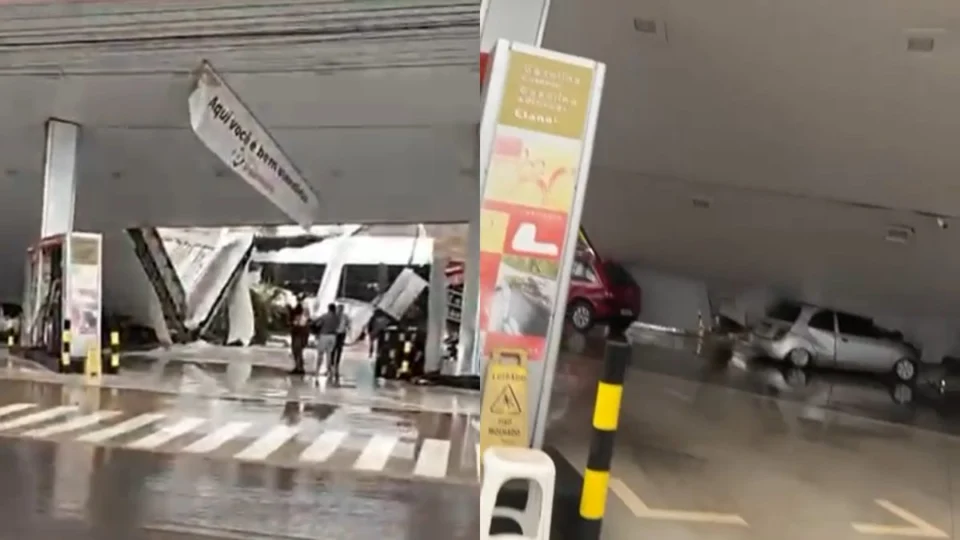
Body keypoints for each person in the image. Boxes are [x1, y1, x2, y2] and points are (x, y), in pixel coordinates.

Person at [312, 303, 339, 381]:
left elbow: (316, 322)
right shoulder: (337, 318)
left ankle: (317, 370)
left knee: (320, 354)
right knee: (329, 354)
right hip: (333, 336)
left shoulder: (325, 316)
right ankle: (330, 371)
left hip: (324, 335)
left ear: (328, 308)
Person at [288, 295, 310, 375]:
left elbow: (299, 321)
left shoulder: (302, 309)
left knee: (297, 350)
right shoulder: (304, 309)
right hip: (300, 332)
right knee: (297, 351)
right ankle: (298, 366)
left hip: (299, 333)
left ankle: (299, 367)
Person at [331, 304, 351, 378]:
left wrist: (348, 328)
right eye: (339, 309)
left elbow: (348, 324)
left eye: (341, 309)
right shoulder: (333, 316)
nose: (340, 310)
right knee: (333, 348)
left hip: (342, 333)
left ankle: (337, 363)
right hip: (334, 333)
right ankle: (332, 363)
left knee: (339, 348)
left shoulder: (345, 316)